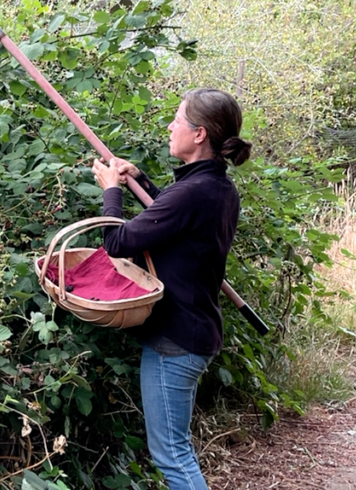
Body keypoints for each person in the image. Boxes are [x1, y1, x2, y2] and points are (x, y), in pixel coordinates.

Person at [90, 88, 252, 490]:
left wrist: (111, 189)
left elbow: (118, 242)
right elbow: (172, 216)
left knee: (173, 456)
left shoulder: (195, 192)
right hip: (193, 331)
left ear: (199, 134)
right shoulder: (217, 188)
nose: (170, 126)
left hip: (175, 340)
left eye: (177, 119)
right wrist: (138, 180)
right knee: (175, 451)